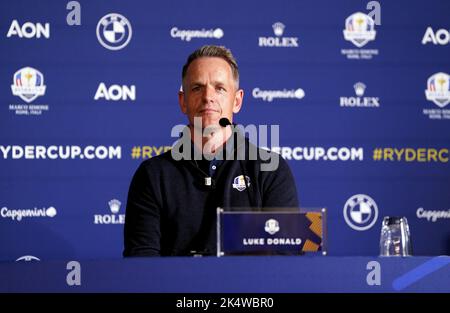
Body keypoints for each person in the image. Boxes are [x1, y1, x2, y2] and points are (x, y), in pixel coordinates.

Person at [123, 45, 299, 257]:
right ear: (183, 102)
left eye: (220, 88)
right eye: (197, 87)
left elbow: (286, 260)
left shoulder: (271, 170)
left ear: (237, 101)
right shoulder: (152, 175)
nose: (208, 97)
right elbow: (142, 264)